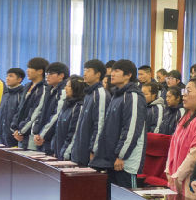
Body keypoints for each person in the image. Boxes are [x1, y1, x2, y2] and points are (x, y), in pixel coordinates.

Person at [90, 60, 147, 189]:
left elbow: (132, 129)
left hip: (125, 162)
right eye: (112, 71)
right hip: (112, 158)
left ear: (128, 75)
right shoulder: (117, 95)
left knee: (127, 198)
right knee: (112, 198)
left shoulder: (133, 96)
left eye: (117, 71)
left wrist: (122, 155)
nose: (112, 74)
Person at [164, 76, 196, 196]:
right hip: (175, 176)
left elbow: (195, 154)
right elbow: (173, 144)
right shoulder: (186, 116)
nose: (184, 95)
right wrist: (168, 169)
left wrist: (178, 175)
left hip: (189, 180)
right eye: (184, 91)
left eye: (188, 91)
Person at [71, 59, 109, 167]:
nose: (84, 74)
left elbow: (100, 124)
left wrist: (94, 150)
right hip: (80, 150)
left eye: (88, 71)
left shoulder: (100, 94)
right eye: (84, 70)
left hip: (90, 153)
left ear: (98, 74)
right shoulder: (89, 94)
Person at [33, 62, 69, 155]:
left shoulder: (63, 91)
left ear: (61, 76)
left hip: (52, 138)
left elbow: (56, 115)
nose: (47, 76)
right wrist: (36, 132)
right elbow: (40, 112)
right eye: (46, 74)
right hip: (42, 137)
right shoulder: (49, 90)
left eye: (51, 74)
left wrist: (43, 135)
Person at [13, 57, 49, 149]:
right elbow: (19, 109)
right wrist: (15, 128)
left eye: (30, 68)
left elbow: (35, 112)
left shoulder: (43, 89)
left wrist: (21, 131)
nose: (27, 71)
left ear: (40, 71)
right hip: (20, 134)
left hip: (31, 134)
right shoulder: (27, 86)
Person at [53, 75, 85, 161]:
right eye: (66, 85)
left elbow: (73, 133)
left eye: (69, 86)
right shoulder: (66, 105)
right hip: (59, 152)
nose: (65, 88)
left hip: (68, 154)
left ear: (77, 88)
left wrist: (65, 152)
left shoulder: (79, 107)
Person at [0, 67, 26, 148]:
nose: (7, 78)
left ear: (19, 79)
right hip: (2, 136)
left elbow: (21, 115)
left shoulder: (22, 95)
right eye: (7, 76)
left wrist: (16, 130)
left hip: (15, 137)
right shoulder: (5, 94)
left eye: (11, 76)